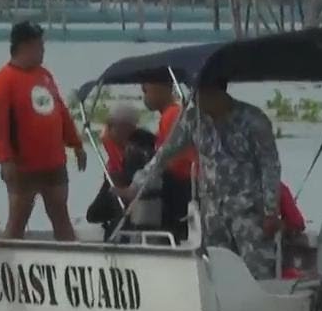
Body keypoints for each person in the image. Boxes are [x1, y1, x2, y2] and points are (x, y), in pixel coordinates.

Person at [117, 78, 283, 278]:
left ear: (216, 92)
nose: (195, 101)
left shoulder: (254, 120)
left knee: (258, 272)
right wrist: (135, 187)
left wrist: (270, 211)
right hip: (212, 213)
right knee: (218, 273)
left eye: (199, 95)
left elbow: (270, 165)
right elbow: (163, 155)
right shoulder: (193, 119)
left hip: (248, 212)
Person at [0, 21, 87, 240]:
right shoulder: (3, 82)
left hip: (53, 163)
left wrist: (76, 144)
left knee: (61, 217)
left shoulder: (45, 75)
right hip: (23, 166)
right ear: (25, 47)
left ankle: (69, 261)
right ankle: (7, 266)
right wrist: (5, 160)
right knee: (17, 221)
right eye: (39, 46)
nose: (43, 50)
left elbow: (60, 111)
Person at [141, 80, 198, 240]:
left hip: (182, 184)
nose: (144, 94)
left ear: (164, 89)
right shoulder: (168, 115)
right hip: (176, 182)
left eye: (147, 90)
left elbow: (172, 155)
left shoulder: (172, 115)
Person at [86, 105, 156, 229]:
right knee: (94, 213)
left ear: (124, 127)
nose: (106, 130)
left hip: (135, 192)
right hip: (120, 181)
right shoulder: (117, 143)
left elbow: (136, 178)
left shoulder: (137, 148)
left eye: (110, 125)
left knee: (98, 211)